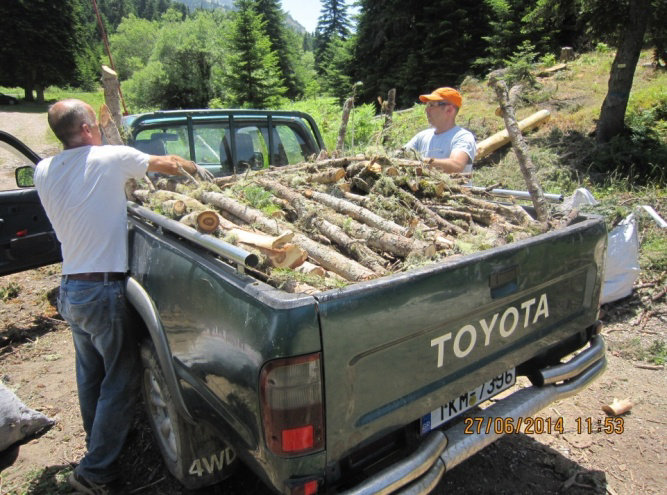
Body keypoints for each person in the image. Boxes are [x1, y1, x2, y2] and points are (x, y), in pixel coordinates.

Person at [34, 99, 208, 494]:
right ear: (87, 128)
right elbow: (171, 164)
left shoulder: (43, 170)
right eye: (93, 124)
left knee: (90, 372)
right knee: (121, 376)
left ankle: (101, 439)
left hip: (71, 289)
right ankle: (96, 471)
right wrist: (201, 171)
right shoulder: (110, 157)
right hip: (102, 289)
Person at [404, 87, 476, 174]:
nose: (426, 110)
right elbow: (401, 154)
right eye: (427, 105)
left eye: (431, 105)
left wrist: (419, 161)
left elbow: (456, 166)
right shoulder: (422, 136)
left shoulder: (462, 136)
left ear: (449, 110)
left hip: (451, 188)